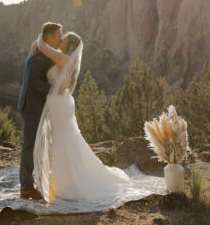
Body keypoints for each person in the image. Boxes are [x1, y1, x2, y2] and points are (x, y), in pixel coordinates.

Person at [31, 31, 165, 207]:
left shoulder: (64, 59)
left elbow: (41, 46)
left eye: (63, 39)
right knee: (66, 143)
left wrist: (43, 36)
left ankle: (64, 189)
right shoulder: (64, 59)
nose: (60, 40)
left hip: (59, 104)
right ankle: (63, 183)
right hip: (60, 103)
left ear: (69, 44)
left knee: (62, 144)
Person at [17, 22, 62, 199]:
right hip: (32, 107)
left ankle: (29, 182)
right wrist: (52, 89)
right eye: (58, 35)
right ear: (49, 37)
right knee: (29, 146)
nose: (60, 38)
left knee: (34, 144)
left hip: (33, 106)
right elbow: (32, 81)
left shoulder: (40, 52)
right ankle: (26, 187)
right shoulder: (40, 57)